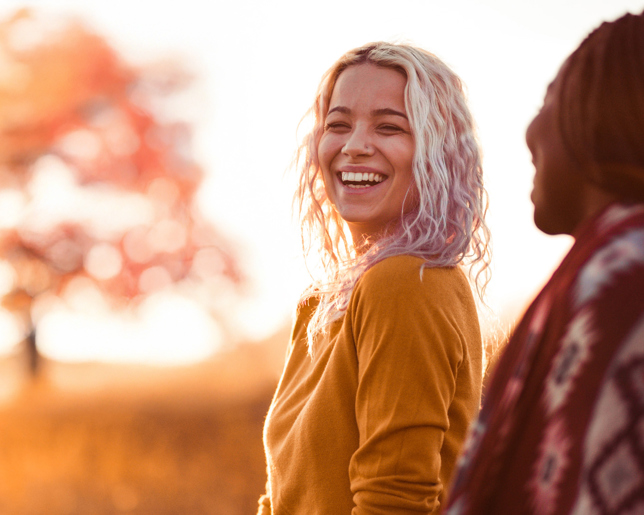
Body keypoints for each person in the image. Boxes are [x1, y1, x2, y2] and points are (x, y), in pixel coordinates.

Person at [257, 42, 490, 514]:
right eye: (338, 124)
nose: (355, 144)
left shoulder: (407, 282)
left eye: (389, 127)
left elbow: (393, 502)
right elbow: (285, 498)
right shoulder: (321, 303)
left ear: (438, 152)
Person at [446, 11, 644, 515]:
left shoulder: (622, 281)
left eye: (548, 99)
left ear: (598, 112)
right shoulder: (607, 266)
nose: (530, 129)